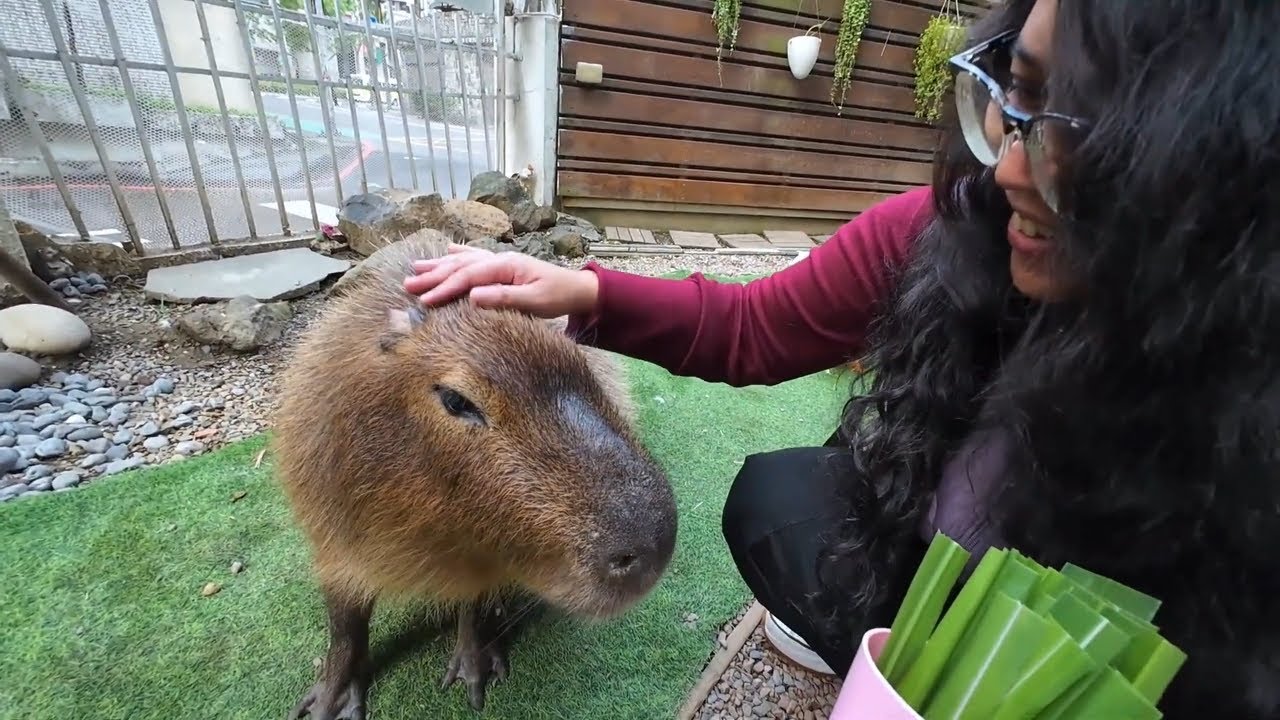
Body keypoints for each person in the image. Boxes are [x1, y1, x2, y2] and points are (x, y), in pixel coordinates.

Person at [404, 0, 1280, 716]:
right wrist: (586, 292)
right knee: (780, 498)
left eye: (1083, 136)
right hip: (942, 588)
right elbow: (755, 326)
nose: (1012, 164)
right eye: (1018, 98)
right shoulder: (947, 228)